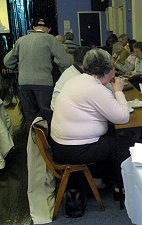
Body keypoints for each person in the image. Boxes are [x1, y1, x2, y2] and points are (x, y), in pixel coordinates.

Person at [50, 48, 130, 193]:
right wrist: (118, 90)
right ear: (107, 71)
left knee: (111, 134)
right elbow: (123, 117)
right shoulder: (95, 89)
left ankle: (99, 177)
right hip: (74, 149)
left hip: (60, 145)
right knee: (122, 140)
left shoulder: (76, 80)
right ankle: (120, 187)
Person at [3, 18, 72, 129]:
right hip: (44, 84)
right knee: (46, 116)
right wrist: (61, 73)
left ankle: (34, 143)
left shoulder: (21, 40)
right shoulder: (50, 39)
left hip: (24, 83)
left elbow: (7, 62)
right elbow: (66, 61)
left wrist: (20, 68)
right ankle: (47, 143)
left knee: (30, 117)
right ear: (49, 29)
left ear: (34, 28)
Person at [51, 46, 91, 110]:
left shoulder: (71, 71)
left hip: (57, 111)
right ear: (88, 62)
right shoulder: (77, 77)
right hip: (62, 113)